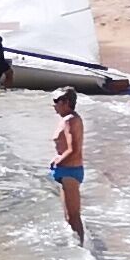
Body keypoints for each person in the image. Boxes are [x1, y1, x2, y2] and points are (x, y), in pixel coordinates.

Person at [50, 87, 88, 243]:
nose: (54, 105)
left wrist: (58, 161)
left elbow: (74, 149)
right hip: (66, 170)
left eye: (56, 101)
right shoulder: (68, 119)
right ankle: (76, 247)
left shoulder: (70, 120)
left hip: (70, 170)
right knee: (68, 216)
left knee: (73, 216)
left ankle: (82, 249)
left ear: (66, 102)